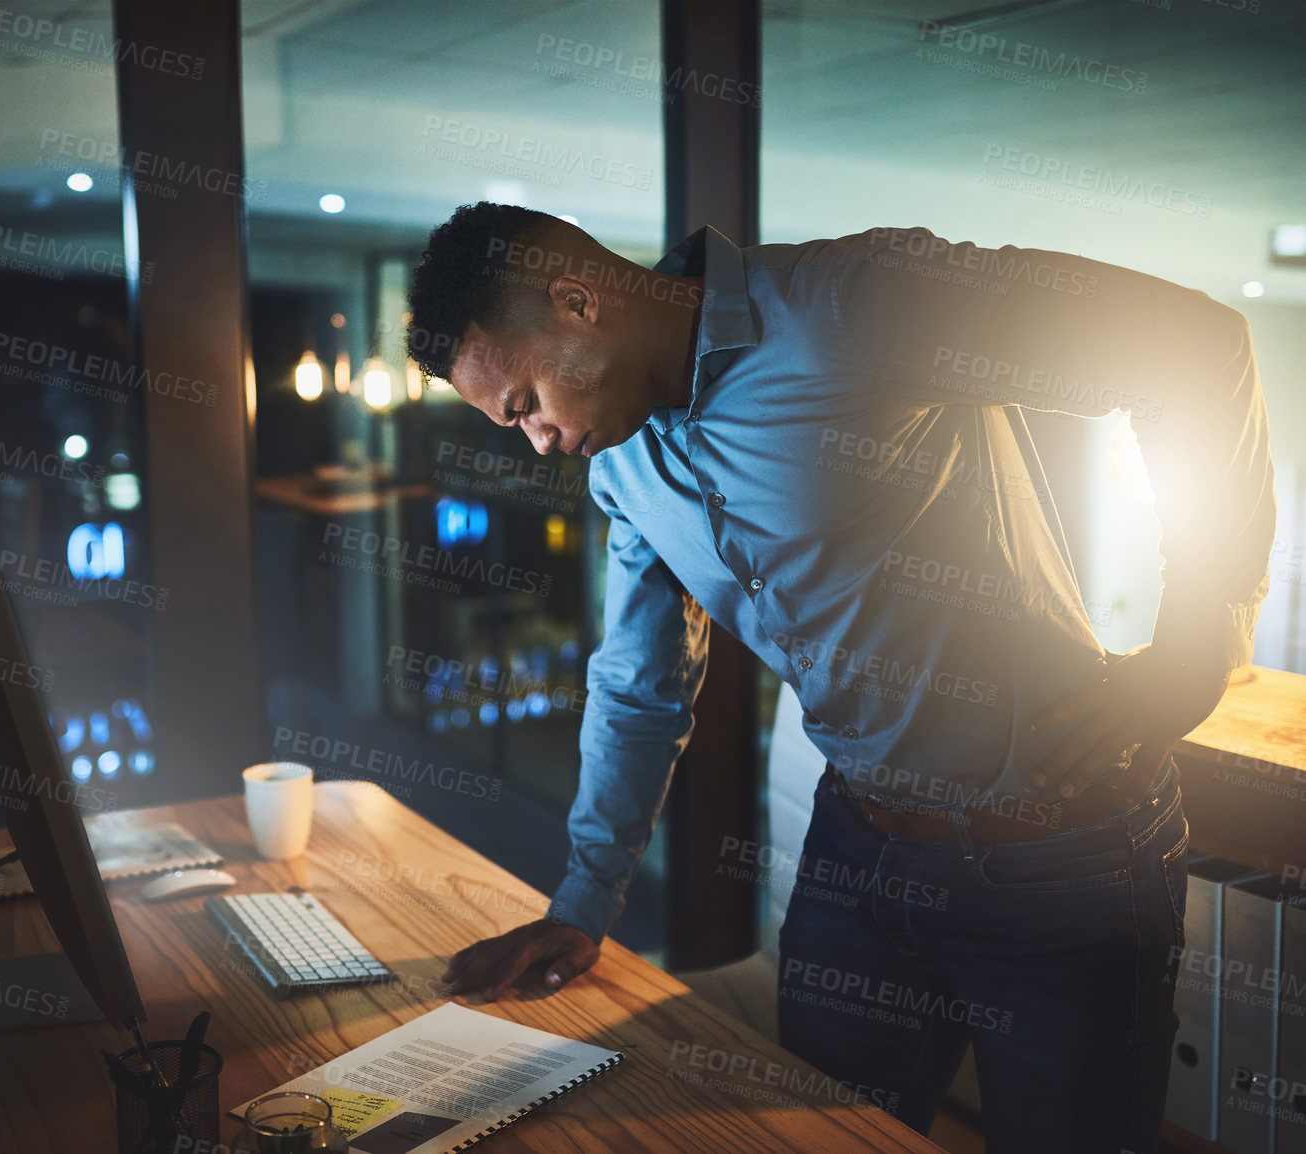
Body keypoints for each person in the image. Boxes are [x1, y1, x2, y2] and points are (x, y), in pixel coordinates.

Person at [414, 202, 1274, 1153]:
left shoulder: (850, 305)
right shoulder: (625, 467)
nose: (534, 439)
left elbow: (1195, 347)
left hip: (1060, 855)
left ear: (577, 303)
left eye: (526, 402)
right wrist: (583, 902)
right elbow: (639, 686)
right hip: (858, 855)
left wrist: (1197, 649)